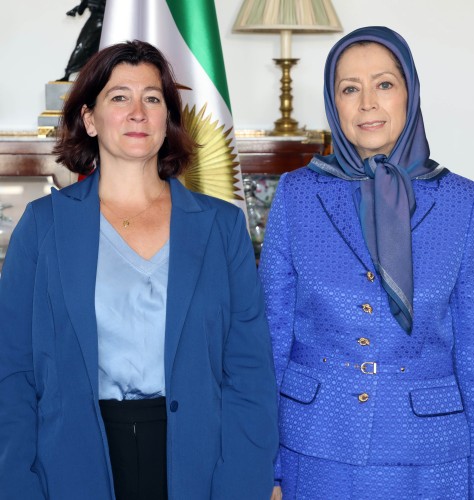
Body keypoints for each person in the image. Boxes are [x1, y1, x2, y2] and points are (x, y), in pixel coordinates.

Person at [0, 40, 278, 500]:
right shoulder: (42, 227)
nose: (137, 112)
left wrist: (242, 483)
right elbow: (12, 373)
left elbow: (248, 373)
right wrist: (17, 485)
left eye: (152, 98)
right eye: (119, 97)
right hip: (71, 464)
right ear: (89, 119)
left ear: (168, 121)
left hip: (198, 464)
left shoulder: (221, 227)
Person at [259, 26, 474, 500]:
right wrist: (267, 469)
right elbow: (269, 342)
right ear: (334, 103)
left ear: (410, 92)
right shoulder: (297, 194)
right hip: (315, 450)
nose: (367, 103)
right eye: (350, 89)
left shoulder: (462, 201)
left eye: (384, 84)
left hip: (431, 457)